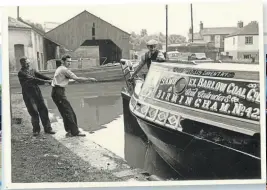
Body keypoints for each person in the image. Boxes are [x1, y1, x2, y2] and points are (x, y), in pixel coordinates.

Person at [51, 55, 97, 137]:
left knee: (64, 112)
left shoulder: (59, 68)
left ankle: (69, 130)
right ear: (63, 61)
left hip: (55, 92)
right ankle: (75, 132)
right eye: (68, 61)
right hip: (59, 93)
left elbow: (62, 80)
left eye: (70, 62)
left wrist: (74, 81)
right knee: (70, 112)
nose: (69, 63)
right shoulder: (65, 70)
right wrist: (89, 79)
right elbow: (77, 78)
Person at [18, 57, 56, 136]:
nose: (28, 64)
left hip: (37, 93)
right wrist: (47, 82)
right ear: (22, 64)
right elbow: (33, 79)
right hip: (28, 95)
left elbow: (41, 76)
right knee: (33, 112)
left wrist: (52, 80)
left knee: (43, 110)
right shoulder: (21, 73)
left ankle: (48, 128)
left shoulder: (32, 70)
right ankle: (36, 130)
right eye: (26, 63)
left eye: (29, 63)